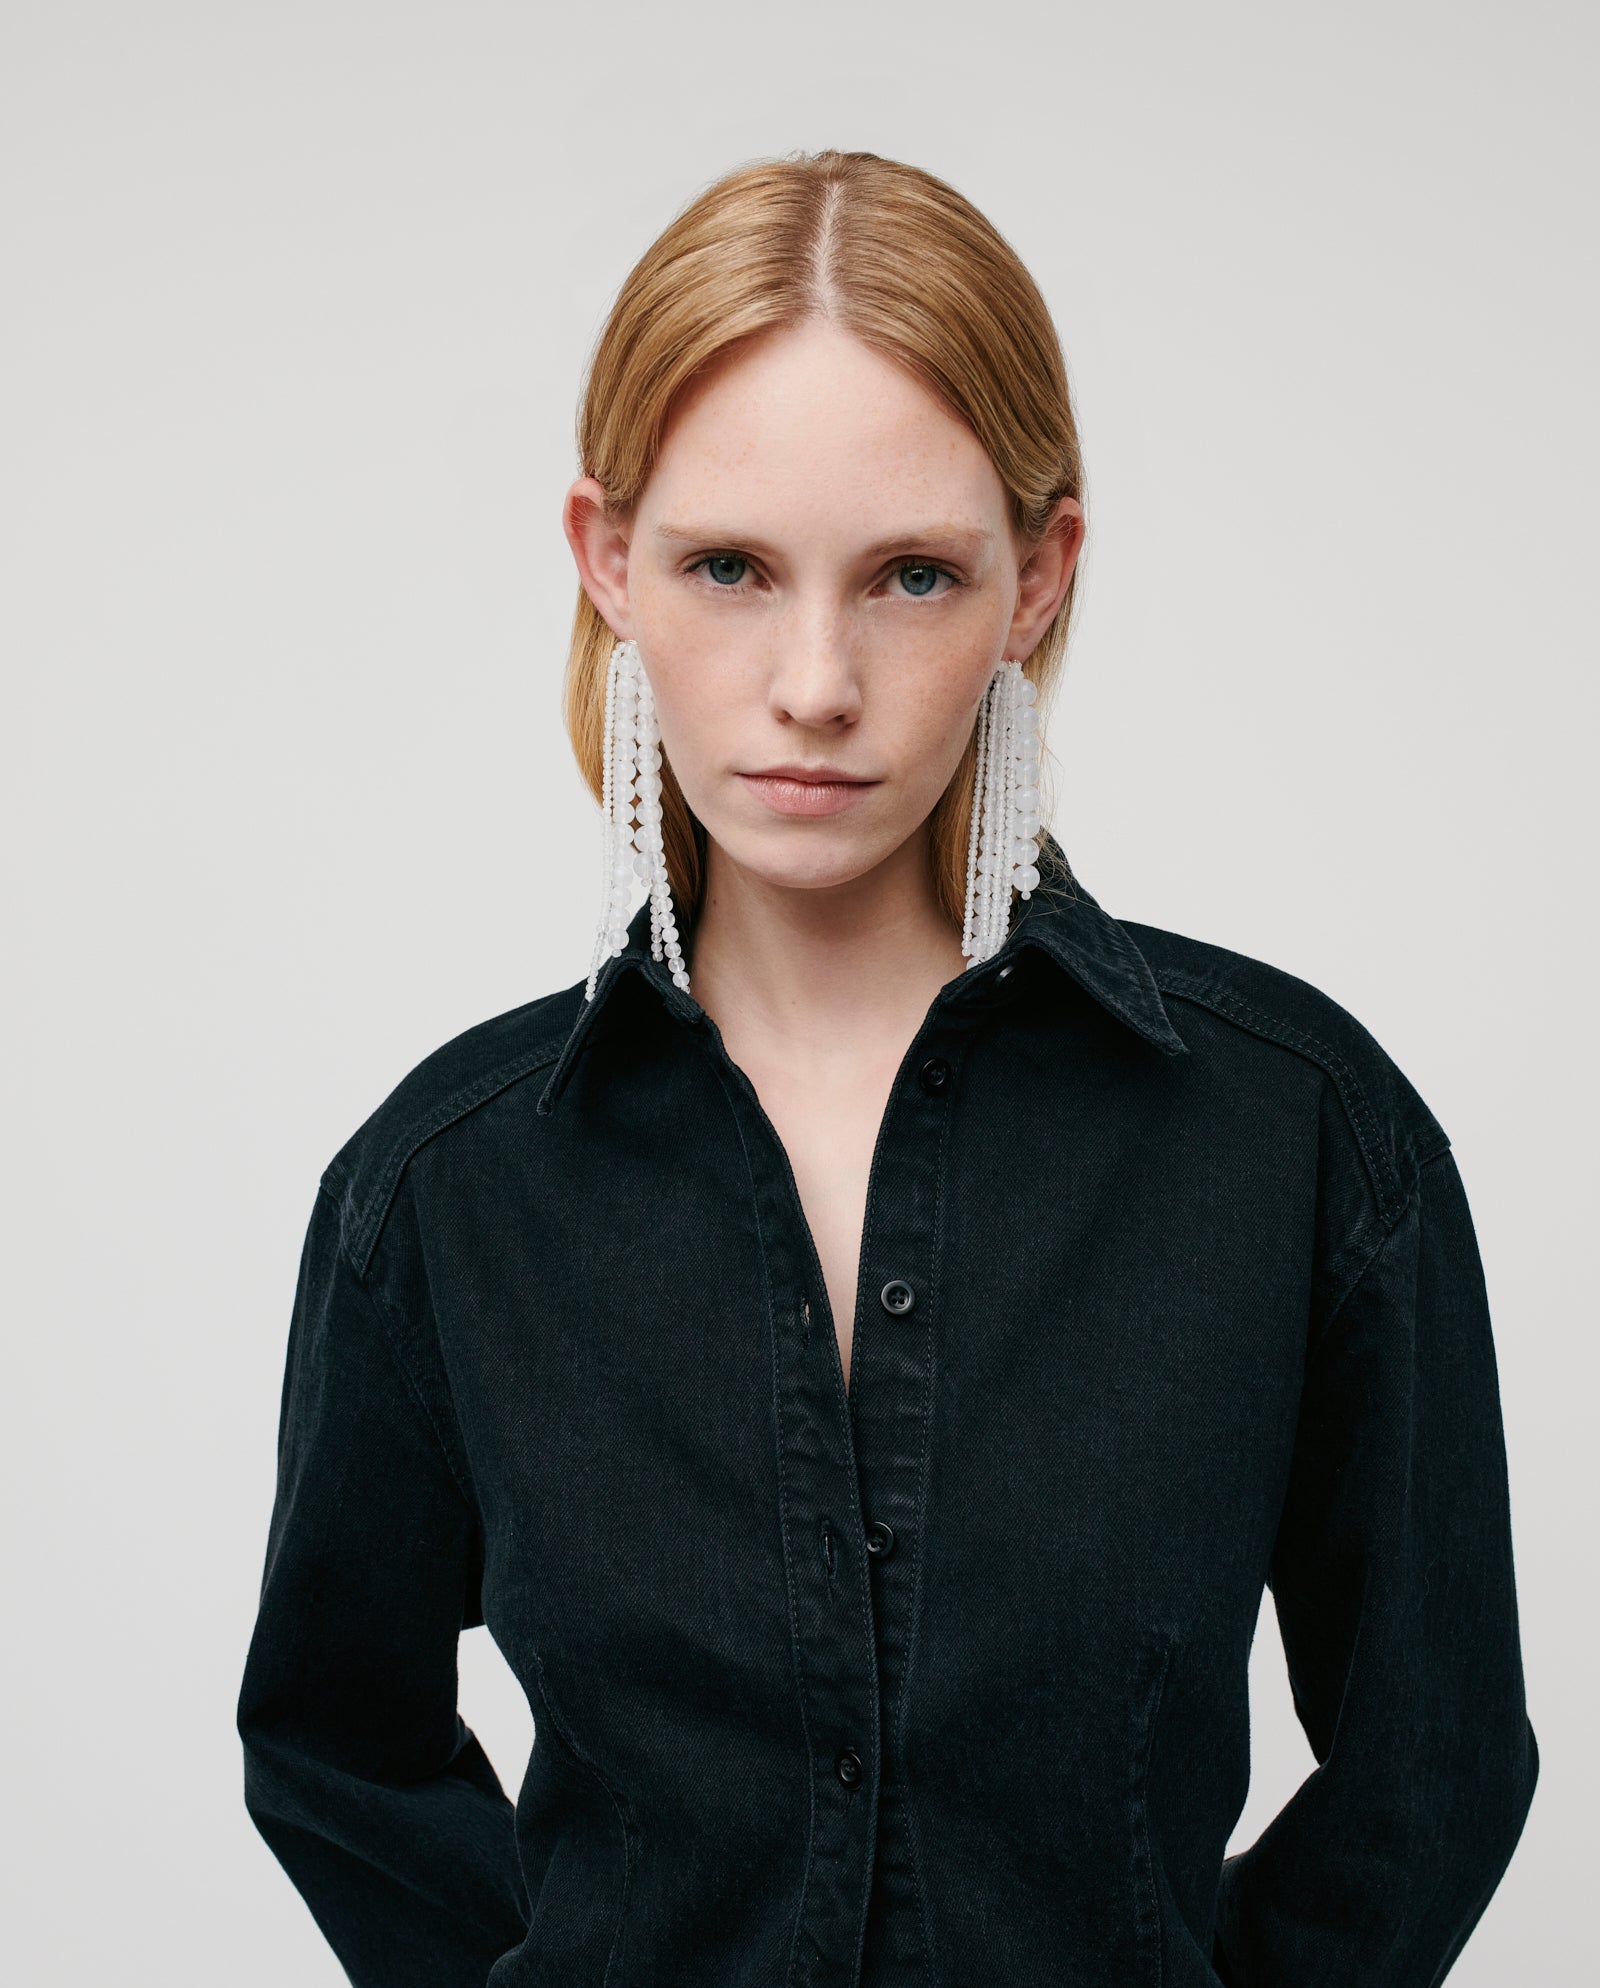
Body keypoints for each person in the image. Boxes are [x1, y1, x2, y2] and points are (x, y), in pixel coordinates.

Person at [236, 149, 1538, 1988]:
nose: (818, 681)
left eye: (914, 573)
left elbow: (1438, 1762)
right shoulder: (447, 1192)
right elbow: (332, 1743)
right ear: (610, 564)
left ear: (1036, 579)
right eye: (730, 568)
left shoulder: (1301, 1139)